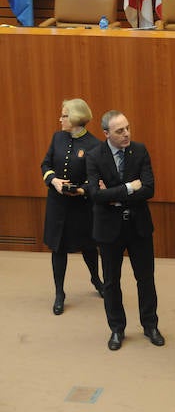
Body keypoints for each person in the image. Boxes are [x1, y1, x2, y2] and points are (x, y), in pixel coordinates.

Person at [85, 111, 164, 351]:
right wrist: (129, 187)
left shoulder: (139, 151)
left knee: (146, 278)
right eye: (120, 131)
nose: (126, 133)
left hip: (138, 226)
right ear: (106, 134)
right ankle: (117, 329)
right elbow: (96, 195)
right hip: (109, 229)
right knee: (111, 281)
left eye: (128, 128)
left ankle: (150, 324)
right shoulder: (94, 156)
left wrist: (113, 193)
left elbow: (149, 189)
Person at [40, 98, 103, 315]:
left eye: (64, 115)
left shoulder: (94, 145)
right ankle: (59, 293)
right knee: (58, 247)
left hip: (81, 206)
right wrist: (54, 181)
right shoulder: (57, 137)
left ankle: (96, 280)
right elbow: (46, 164)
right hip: (57, 204)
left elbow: (95, 180)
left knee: (88, 245)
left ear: (76, 117)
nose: (60, 119)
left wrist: (81, 190)